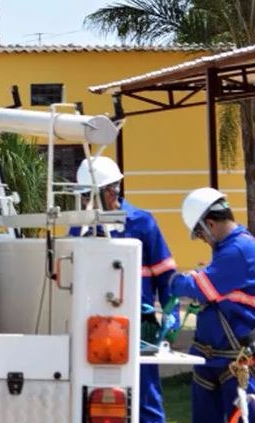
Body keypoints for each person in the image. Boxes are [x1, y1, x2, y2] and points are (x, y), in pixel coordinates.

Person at [72, 156, 177, 423]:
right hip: (92, 327)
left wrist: (171, 313)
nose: (85, 202)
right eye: (83, 196)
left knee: (146, 398)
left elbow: (166, 276)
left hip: (139, 326)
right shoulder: (79, 227)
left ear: (110, 191)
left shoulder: (142, 223)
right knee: (94, 399)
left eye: (89, 195)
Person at [170, 187, 255, 422]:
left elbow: (200, 287)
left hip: (235, 360)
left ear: (210, 224)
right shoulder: (230, 249)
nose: (203, 240)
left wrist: (174, 280)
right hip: (216, 357)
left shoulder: (238, 250)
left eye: (200, 234)